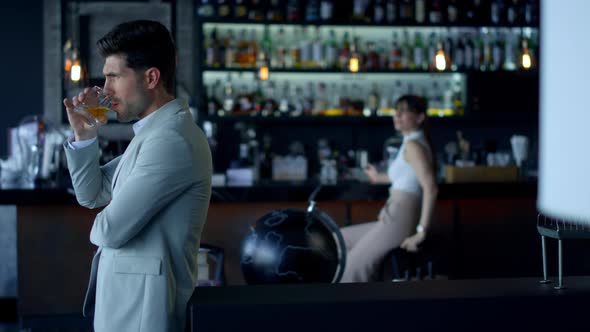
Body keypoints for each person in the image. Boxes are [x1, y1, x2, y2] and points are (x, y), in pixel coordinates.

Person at [62, 20, 212, 331]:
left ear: (151, 77)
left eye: (114, 77)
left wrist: (103, 223)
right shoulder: (154, 133)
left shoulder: (171, 140)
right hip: (129, 303)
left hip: (143, 312)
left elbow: (109, 230)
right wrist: (86, 136)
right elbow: (92, 194)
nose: (105, 91)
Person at [340, 95, 438, 283]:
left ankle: (347, 306)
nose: (397, 115)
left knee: (354, 265)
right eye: (396, 111)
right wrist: (378, 177)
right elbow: (404, 178)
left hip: (402, 213)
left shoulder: (413, 145)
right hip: (394, 211)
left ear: (420, 117)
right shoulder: (410, 142)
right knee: (341, 240)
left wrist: (422, 231)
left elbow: (431, 187)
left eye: (404, 111)